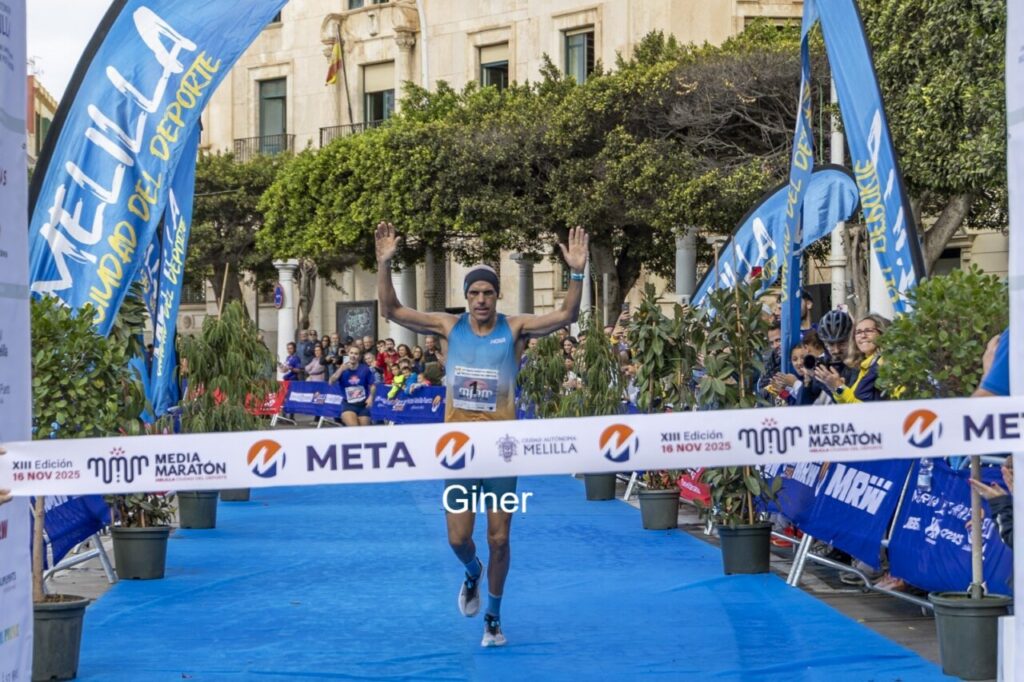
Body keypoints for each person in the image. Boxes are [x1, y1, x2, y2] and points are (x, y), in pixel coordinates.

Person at [375, 220, 588, 647]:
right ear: (467, 298)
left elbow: (567, 315)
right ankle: (471, 571)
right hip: (459, 453)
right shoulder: (447, 327)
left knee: (500, 538)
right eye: (473, 293)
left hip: (502, 453)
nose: (480, 300)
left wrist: (577, 272)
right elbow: (392, 311)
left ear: (497, 296)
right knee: (458, 539)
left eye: (488, 292)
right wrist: (383, 264)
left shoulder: (516, 329)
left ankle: (493, 617)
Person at [331, 345, 375, 427]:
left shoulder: (365, 369)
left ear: (359, 356)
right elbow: (331, 382)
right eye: (351, 353)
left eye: (356, 354)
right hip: (349, 405)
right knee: (354, 429)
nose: (353, 356)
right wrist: (340, 369)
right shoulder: (342, 368)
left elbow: (372, 385)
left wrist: (371, 397)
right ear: (348, 354)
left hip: (363, 405)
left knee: (365, 432)